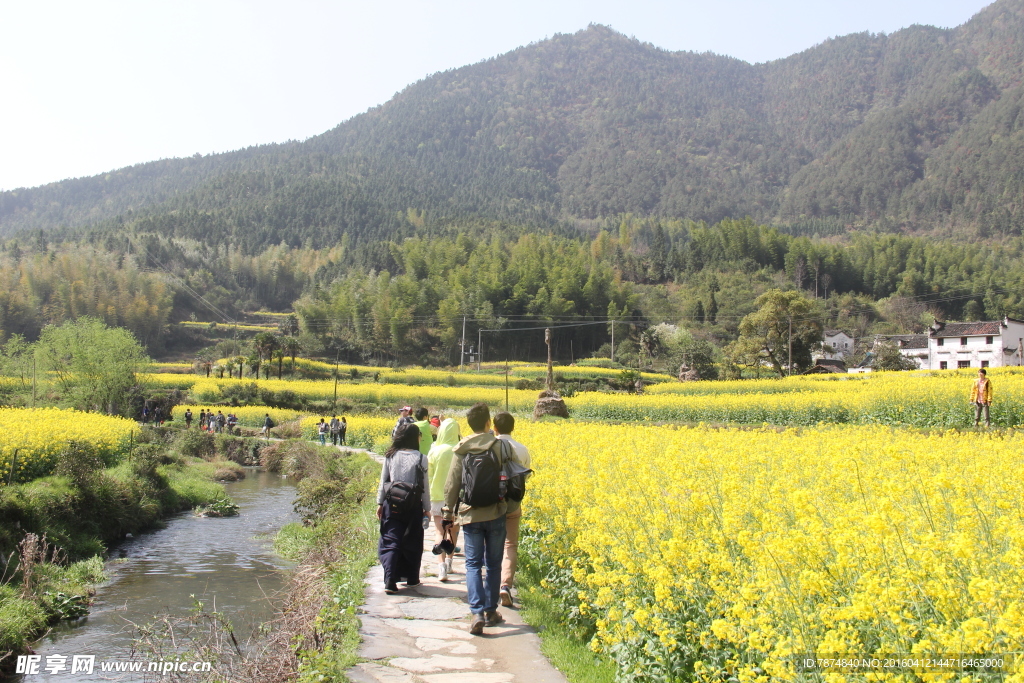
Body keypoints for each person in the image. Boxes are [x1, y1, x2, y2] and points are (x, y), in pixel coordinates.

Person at [444, 402, 521, 635]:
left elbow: (452, 483)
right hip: (496, 511)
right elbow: (513, 478)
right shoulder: (501, 447)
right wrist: (511, 505)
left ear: (470, 424)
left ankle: (476, 612)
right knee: (494, 563)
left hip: (470, 513)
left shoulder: (462, 448)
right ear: (489, 423)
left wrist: (448, 513)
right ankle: (490, 611)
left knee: (472, 564)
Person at [377, 423, 430, 594]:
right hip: (413, 504)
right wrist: (427, 508)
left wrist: (379, 503)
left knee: (391, 540)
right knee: (413, 540)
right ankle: (412, 578)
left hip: (392, 503)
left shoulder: (390, 455)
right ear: (415, 437)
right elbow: (424, 486)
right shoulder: (421, 458)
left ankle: (390, 580)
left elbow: (383, 480)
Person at [492, 411, 531, 608]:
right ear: (513, 428)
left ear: (494, 427)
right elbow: (525, 476)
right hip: (513, 503)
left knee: (490, 541)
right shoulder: (522, 449)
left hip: (492, 503)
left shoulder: (489, 446)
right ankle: (505, 585)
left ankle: (490, 583)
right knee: (510, 544)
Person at [427, 417, 461, 581]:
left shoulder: (434, 450)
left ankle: (441, 569)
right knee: (453, 530)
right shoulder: (459, 450)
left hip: (437, 496)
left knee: (439, 531)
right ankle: (449, 562)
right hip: (455, 498)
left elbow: (429, 476)